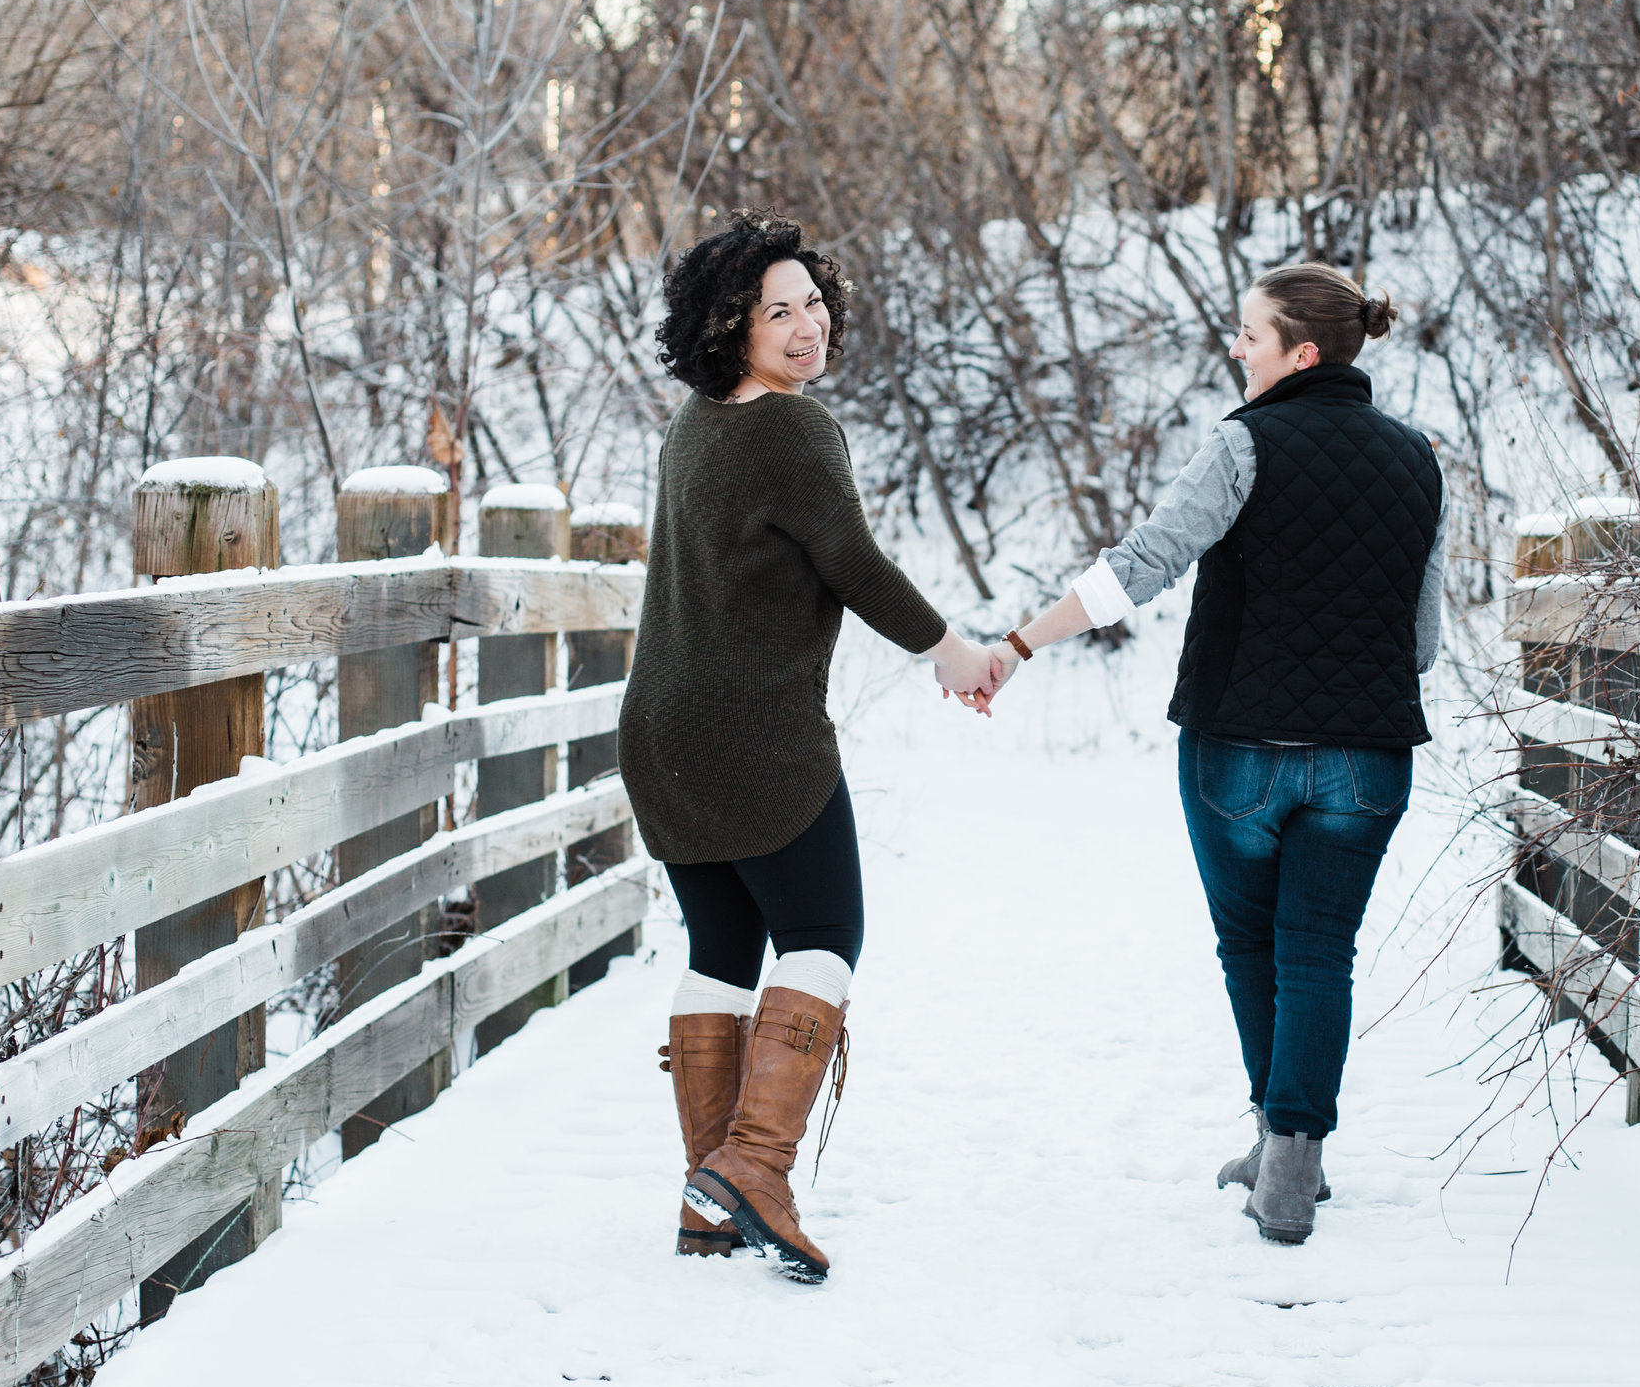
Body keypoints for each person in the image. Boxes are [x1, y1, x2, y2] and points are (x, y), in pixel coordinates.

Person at [981, 261, 1445, 1245]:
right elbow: (1422, 643)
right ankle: (1291, 1156)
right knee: (1320, 948)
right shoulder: (1416, 460)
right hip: (1367, 759)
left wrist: (1019, 644)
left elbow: (1143, 564)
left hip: (1240, 747)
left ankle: (1277, 1142)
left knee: (1252, 944)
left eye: (1250, 334)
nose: (1235, 348)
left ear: (1300, 352)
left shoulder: (1245, 445)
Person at [619, 209, 1002, 1283]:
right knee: (827, 929)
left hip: (660, 731)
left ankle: (708, 1194)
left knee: (720, 951)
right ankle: (756, 1166)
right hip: (754, 735)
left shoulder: (695, 423)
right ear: (726, 325)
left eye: (813, 305)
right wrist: (951, 648)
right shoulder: (794, 429)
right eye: (775, 311)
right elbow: (855, 562)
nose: (804, 328)